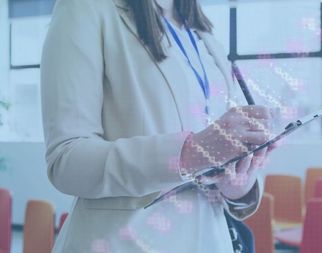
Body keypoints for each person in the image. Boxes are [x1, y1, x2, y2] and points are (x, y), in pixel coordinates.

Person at [41, 0, 275, 252]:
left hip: (212, 240)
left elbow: (216, 146)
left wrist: (238, 182)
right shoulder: (85, 8)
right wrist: (189, 154)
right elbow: (66, 160)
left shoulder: (201, 32)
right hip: (125, 242)